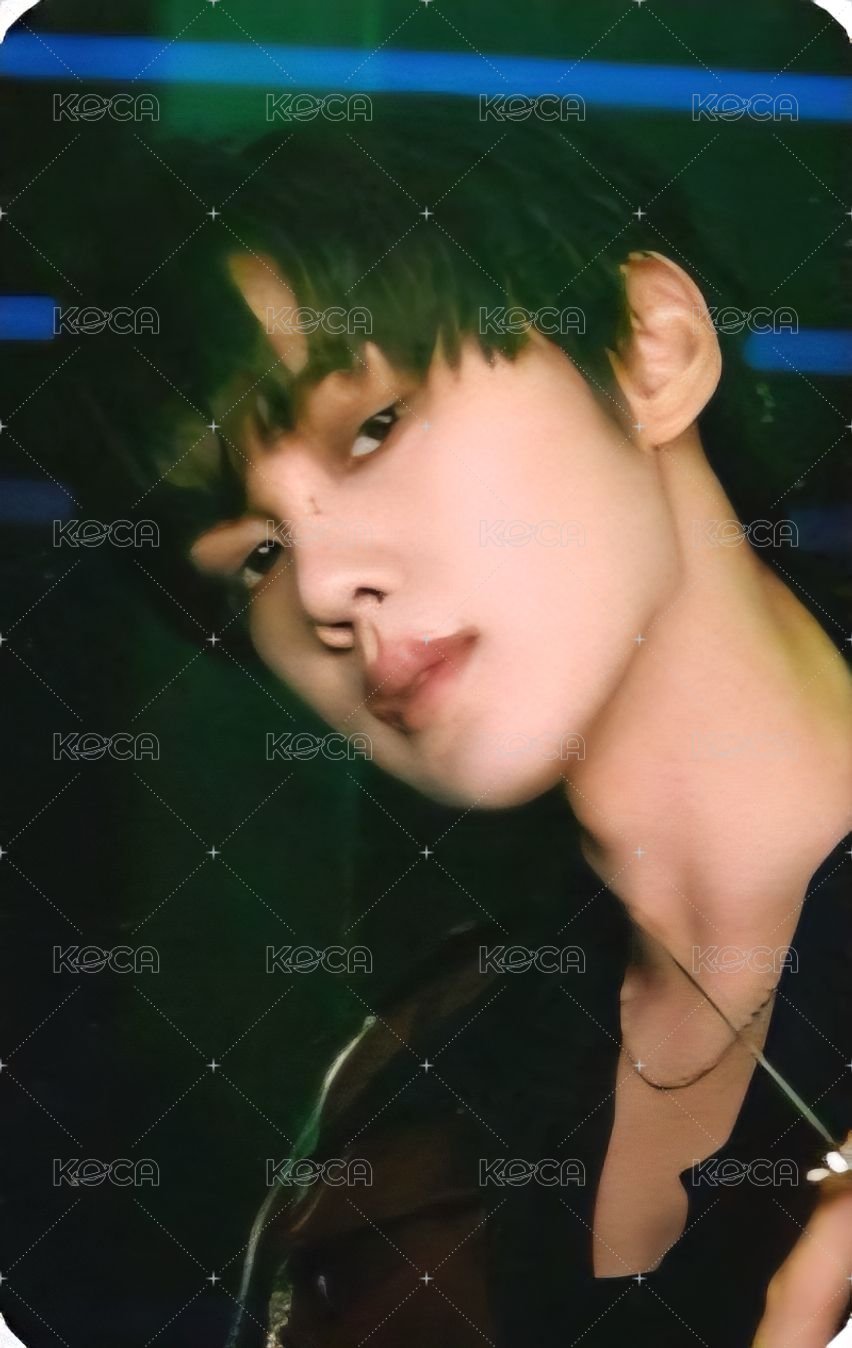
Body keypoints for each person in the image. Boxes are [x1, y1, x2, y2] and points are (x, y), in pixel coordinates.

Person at [41, 104, 852, 1346]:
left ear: (650, 350)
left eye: (374, 427)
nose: (323, 586)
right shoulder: (398, 1112)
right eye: (255, 556)